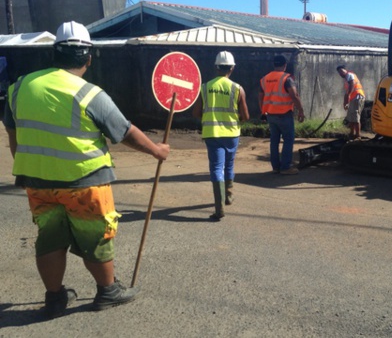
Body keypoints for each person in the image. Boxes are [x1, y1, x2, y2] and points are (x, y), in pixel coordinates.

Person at [2, 21, 170, 319]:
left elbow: (14, 135)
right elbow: (125, 131)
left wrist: (28, 169)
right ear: (88, 57)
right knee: (96, 237)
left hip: (38, 182)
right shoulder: (89, 93)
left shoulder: (19, 88)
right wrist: (157, 150)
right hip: (84, 182)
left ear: (54, 54)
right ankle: (108, 291)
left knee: (50, 238)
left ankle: (54, 298)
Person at [192, 51, 249, 221]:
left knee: (217, 167)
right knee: (229, 165)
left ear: (216, 67)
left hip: (212, 133)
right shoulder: (237, 88)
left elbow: (195, 113)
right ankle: (228, 197)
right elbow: (245, 116)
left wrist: (209, 118)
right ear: (231, 68)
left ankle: (219, 208)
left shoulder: (205, 87)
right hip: (232, 134)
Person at [259, 55, 305, 175]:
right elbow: (294, 96)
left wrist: (263, 111)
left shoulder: (265, 79)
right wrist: (300, 111)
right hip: (284, 114)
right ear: (285, 65)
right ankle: (285, 167)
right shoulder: (287, 78)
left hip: (270, 115)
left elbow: (260, 97)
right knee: (288, 140)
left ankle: (276, 167)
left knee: (274, 141)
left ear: (274, 65)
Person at [336, 65, 365, 140]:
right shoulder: (346, 79)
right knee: (351, 117)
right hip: (354, 98)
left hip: (358, 97)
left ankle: (358, 135)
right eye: (339, 73)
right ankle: (352, 134)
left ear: (346, 70)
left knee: (355, 116)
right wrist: (345, 103)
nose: (341, 74)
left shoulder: (350, 75)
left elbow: (351, 87)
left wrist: (347, 99)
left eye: (341, 71)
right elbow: (347, 93)